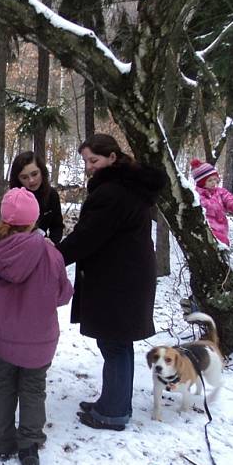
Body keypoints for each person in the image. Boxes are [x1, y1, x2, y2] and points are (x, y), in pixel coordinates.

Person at [58, 133, 166, 431]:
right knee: (117, 344)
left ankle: (114, 411)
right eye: (85, 161)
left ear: (112, 158)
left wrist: (51, 258)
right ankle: (112, 401)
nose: (89, 167)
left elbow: (86, 238)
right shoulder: (126, 187)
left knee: (115, 345)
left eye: (94, 160)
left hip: (118, 282)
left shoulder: (113, 194)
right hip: (124, 278)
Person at [0, 187, 72, 465]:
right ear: (33, 220)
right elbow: (63, 295)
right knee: (33, 390)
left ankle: (2, 443)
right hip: (40, 338)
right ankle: (29, 446)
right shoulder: (50, 253)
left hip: (4, 338)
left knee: (3, 387)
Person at [0, 150, 65, 381]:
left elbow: (57, 225)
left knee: (28, 312)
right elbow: (5, 227)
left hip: (40, 259)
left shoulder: (51, 196)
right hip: (12, 258)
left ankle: (30, 362)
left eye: (34, 174)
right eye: (24, 177)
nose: (31, 181)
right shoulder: (13, 197)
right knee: (6, 311)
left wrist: (50, 242)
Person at [190, 158, 233, 247]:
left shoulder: (221, 192)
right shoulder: (197, 196)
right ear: (201, 183)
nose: (214, 183)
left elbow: (231, 203)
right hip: (207, 231)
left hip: (222, 231)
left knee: (223, 247)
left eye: (215, 179)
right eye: (210, 180)